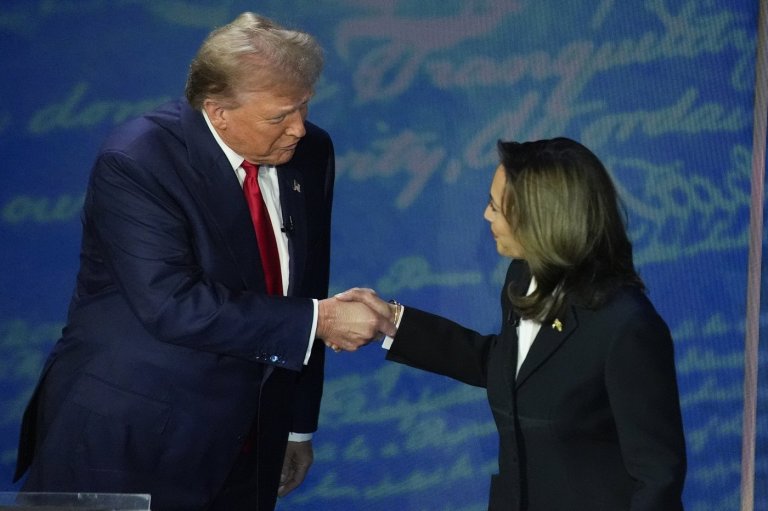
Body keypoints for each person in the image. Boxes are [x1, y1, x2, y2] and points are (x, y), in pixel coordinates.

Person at [14, 12, 393, 511]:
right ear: (217, 111)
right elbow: (172, 303)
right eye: (279, 116)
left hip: (250, 439)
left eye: (304, 105)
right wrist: (321, 321)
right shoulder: (139, 160)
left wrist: (296, 425)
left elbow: (305, 284)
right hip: (132, 437)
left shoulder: (310, 151)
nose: (299, 128)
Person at [338, 137, 687, 511]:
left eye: (495, 207)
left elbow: (657, 478)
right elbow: (509, 367)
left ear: (541, 220)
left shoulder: (626, 326)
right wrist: (393, 322)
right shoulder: (522, 277)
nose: (486, 216)